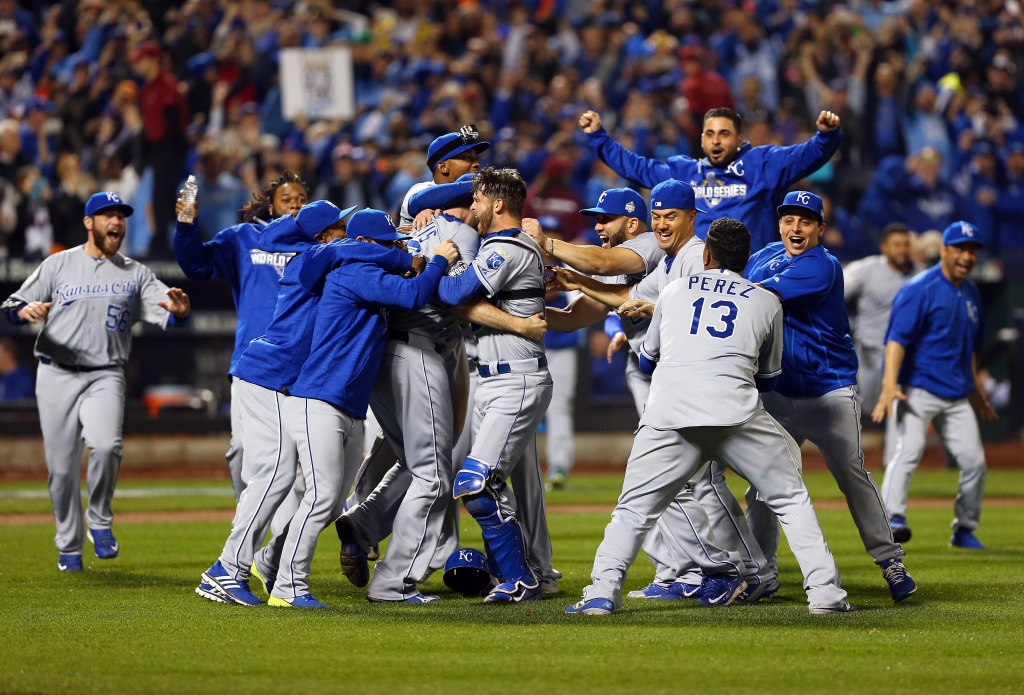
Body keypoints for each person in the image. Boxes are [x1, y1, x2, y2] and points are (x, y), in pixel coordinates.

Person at [565, 218, 852, 616]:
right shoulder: (767, 301)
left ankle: (601, 594)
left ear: (706, 254)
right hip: (737, 411)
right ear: (747, 258)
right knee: (790, 498)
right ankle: (826, 597)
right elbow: (768, 378)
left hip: (670, 412)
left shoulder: (675, 290)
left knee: (634, 509)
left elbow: (647, 361)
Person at [550, 181, 775, 601]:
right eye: (659, 216)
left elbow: (606, 270)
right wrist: (553, 293)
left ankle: (743, 571)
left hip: (690, 379)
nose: (599, 226)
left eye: (606, 219)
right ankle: (690, 571)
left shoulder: (678, 254)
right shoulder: (668, 260)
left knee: (698, 480)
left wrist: (552, 251)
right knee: (683, 481)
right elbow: (621, 298)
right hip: (662, 375)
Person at [195, 200, 415, 606]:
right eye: (335, 226)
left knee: (319, 494)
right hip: (269, 375)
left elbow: (284, 237)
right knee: (275, 475)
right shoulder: (315, 256)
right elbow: (339, 248)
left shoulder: (322, 254)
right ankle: (226, 570)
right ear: (320, 236)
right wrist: (406, 258)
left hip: (283, 379)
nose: (342, 232)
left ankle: (265, 561)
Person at [259, 210, 458, 608]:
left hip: (342, 405)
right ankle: (288, 588)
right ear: (367, 244)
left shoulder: (358, 267)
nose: (395, 248)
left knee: (330, 502)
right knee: (321, 499)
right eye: (387, 242)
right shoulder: (353, 270)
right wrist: (438, 259)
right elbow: (415, 295)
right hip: (320, 401)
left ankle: (269, 561)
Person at [1, 191, 192, 572]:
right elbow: (10, 306)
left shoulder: (135, 273)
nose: (116, 222)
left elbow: (167, 307)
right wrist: (24, 311)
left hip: (105, 373)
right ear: (89, 222)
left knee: (106, 446)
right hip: (55, 374)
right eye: (106, 215)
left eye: (120, 216)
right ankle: (69, 547)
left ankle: (100, 520)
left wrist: (180, 311)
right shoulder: (59, 264)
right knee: (61, 470)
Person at [744, 190, 917, 604]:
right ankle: (763, 572)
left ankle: (890, 560)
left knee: (851, 475)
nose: (796, 227)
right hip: (779, 393)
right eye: (789, 219)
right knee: (762, 484)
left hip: (829, 391)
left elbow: (755, 296)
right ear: (780, 223)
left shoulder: (823, 265)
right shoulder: (763, 255)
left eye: (806, 221)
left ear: (821, 228)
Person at [434, 167, 553, 603]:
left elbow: (453, 295)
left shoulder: (505, 246)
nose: (473, 208)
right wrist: (514, 323)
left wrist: (440, 260)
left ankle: (522, 578)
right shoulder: (504, 244)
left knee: (475, 483)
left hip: (515, 381)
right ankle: (513, 575)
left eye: (479, 199)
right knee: (490, 484)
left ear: (497, 204)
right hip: (493, 380)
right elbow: (465, 306)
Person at [174, 171, 310, 498]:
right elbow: (198, 265)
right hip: (253, 365)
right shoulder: (244, 237)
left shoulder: (320, 243)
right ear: (272, 207)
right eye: (287, 200)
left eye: (301, 200)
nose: (295, 205)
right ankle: (246, 524)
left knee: (302, 464)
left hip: (305, 364)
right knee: (241, 452)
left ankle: (283, 541)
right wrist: (186, 224)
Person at [874, 221, 997, 549]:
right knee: (908, 451)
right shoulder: (920, 288)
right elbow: (896, 341)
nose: (966, 256)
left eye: (971, 250)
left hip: (956, 394)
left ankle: (964, 528)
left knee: (974, 463)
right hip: (917, 389)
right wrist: (889, 385)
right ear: (943, 250)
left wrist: (977, 394)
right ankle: (893, 518)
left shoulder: (971, 292)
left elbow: (970, 349)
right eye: (959, 248)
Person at [578, 106, 841, 250]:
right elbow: (637, 168)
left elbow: (805, 156)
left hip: (749, 275)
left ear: (740, 140)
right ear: (702, 140)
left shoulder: (761, 164)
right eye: (710, 134)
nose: (716, 140)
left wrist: (826, 137)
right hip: (696, 276)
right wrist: (599, 137)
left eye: (724, 134)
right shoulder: (684, 172)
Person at [844, 223, 915, 416]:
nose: (902, 250)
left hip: (905, 355)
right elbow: (834, 296)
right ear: (884, 247)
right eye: (897, 244)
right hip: (870, 352)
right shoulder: (866, 269)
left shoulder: (919, 274)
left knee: (901, 408)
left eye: (905, 244)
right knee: (865, 408)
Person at [538, 215, 583, 488]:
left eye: (555, 234)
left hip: (563, 347)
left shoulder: (570, 267)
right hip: (530, 346)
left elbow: (574, 301)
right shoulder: (525, 263)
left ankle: (559, 467)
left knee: (559, 407)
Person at [399, 125, 490, 227]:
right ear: (443, 167)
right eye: (467, 157)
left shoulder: (475, 195)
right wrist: (485, 183)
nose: (476, 163)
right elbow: (420, 201)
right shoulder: (419, 189)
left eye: (475, 158)